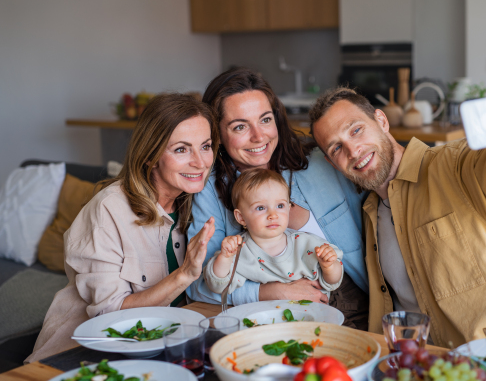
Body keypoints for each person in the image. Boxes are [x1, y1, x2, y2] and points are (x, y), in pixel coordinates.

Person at [308, 81, 486, 348]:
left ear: (382, 121)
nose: (353, 151)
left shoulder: (453, 166)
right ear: (331, 163)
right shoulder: (369, 214)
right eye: (336, 148)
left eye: (356, 130)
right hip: (425, 366)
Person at [27, 93, 218, 362]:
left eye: (206, 146)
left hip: (163, 347)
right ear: (151, 155)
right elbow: (112, 316)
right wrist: (184, 274)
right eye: (181, 149)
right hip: (83, 357)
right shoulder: (108, 209)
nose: (200, 162)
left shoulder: (196, 204)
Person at [186, 67, 369, 330]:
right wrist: (274, 292)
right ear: (218, 134)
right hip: (268, 318)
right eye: (240, 126)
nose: (259, 137)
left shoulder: (322, 161)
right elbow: (197, 284)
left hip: (352, 305)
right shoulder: (211, 189)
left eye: (265, 119)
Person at [204, 169, 343, 296]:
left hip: (311, 314)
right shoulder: (238, 250)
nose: (273, 215)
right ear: (241, 217)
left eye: (280, 206)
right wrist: (225, 258)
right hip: (263, 318)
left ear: (288, 209)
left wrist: (329, 267)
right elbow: (217, 286)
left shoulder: (307, 243)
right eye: (260, 208)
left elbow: (333, 282)